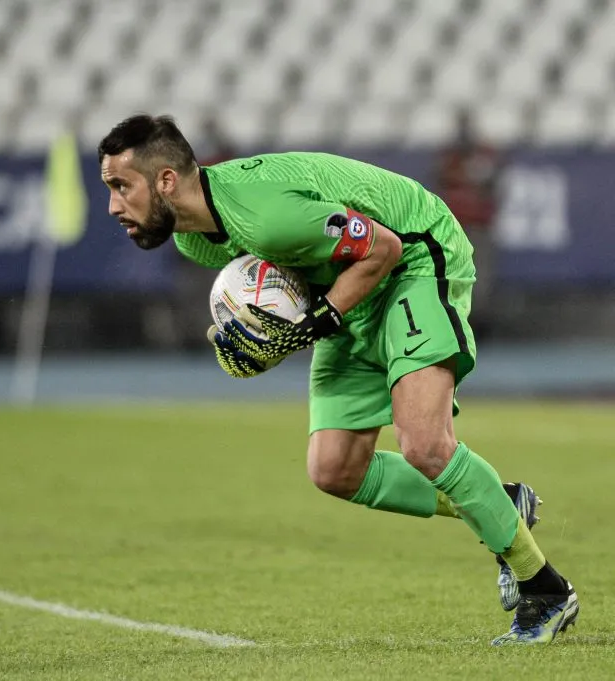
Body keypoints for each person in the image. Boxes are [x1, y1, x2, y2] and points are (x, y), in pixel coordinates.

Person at [97, 114, 577, 646]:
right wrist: (267, 334)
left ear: (166, 181)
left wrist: (312, 325)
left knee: (424, 444)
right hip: (349, 289)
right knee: (334, 468)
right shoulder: (196, 241)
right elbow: (291, 279)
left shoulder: (265, 215)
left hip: (414, 259)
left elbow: (384, 247)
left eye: (122, 186)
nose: (115, 205)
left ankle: (546, 590)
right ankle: (499, 503)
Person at [436, 109, 503, 340]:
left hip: (477, 224)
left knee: (480, 274)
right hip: (456, 223)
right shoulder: (449, 155)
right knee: (454, 272)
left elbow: (493, 183)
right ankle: (456, 321)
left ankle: (479, 324)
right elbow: (442, 180)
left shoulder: (484, 154)